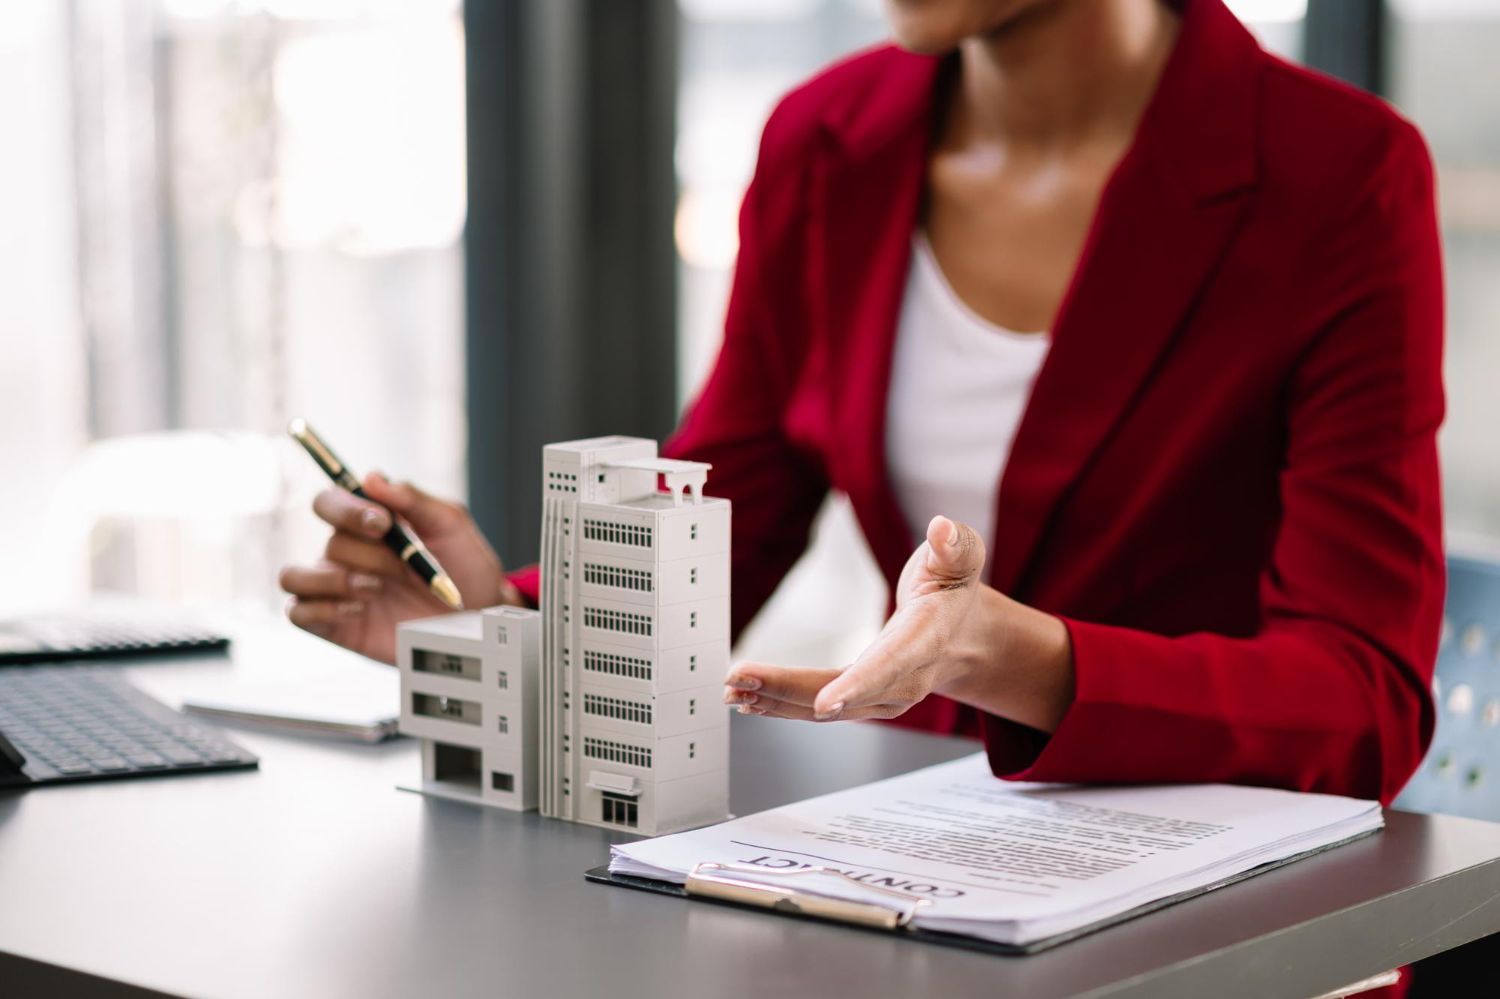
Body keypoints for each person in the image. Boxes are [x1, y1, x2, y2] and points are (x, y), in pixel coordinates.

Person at [280, 0, 1443, 809]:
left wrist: (1023, 659)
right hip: (921, 854)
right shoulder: (827, 144)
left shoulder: (1340, 176)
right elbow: (721, 524)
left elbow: (1366, 704)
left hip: (1224, 897)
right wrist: (504, 622)